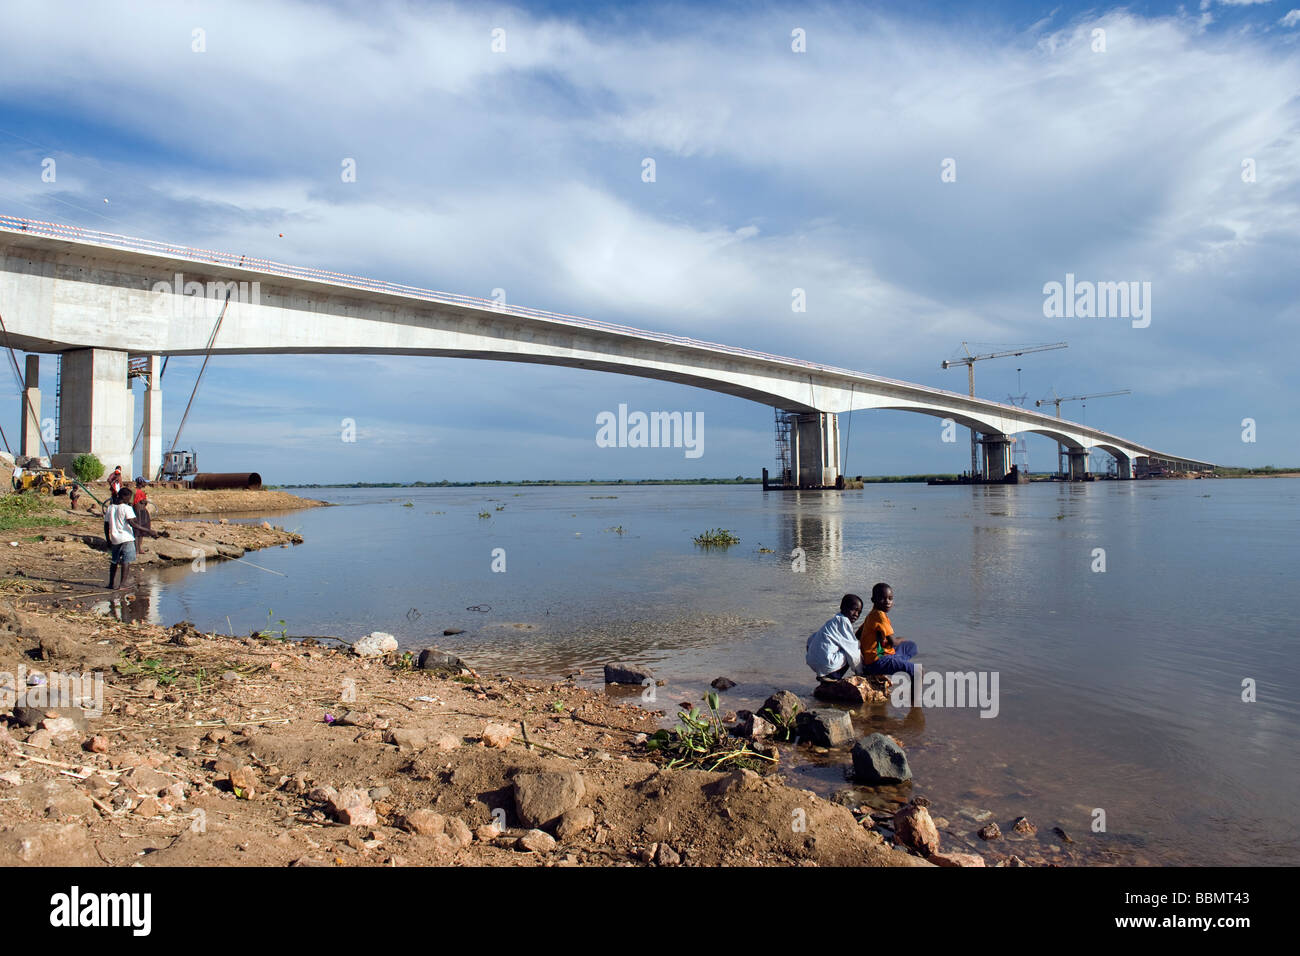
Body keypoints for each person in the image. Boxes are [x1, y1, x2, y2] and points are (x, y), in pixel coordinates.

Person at [856, 582, 920, 697]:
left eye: (890, 598)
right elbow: (893, 642)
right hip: (878, 661)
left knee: (911, 646)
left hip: (878, 655)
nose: (887, 602)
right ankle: (915, 704)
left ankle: (897, 662)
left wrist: (875, 644)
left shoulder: (871, 615)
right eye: (882, 598)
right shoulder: (880, 615)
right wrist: (901, 639)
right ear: (873, 599)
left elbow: (857, 636)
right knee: (917, 670)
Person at [104, 487, 164, 590]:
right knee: (126, 561)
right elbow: (133, 524)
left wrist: (108, 539)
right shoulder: (127, 508)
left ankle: (111, 584)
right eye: (129, 497)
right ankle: (122, 584)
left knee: (114, 561)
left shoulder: (110, 508)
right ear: (124, 497)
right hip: (126, 538)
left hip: (115, 539)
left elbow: (106, 525)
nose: (130, 500)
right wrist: (149, 531)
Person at [806, 593, 864, 682]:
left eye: (859, 612)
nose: (856, 614)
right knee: (852, 649)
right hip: (825, 664)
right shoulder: (843, 621)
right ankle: (833, 676)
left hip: (812, 662)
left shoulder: (832, 622)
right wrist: (860, 673)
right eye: (854, 609)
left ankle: (824, 673)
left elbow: (811, 639)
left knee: (846, 647)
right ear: (842, 607)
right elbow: (853, 651)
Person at [131, 481, 153, 554]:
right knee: (137, 531)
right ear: (140, 483)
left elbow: (144, 502)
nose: (145, 484)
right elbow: (132, 503)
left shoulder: (143, 492)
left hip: (143, 512)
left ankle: (139, 548)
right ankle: (136, 549)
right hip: (137, 512)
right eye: (144, 482)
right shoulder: (134, 491)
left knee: (142, 532)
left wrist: (144, 501)